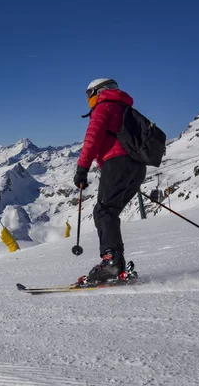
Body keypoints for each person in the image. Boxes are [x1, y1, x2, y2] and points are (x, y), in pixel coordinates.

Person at [73, 78, 147, 284]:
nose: (88, 99)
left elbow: (92, 140)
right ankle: (115, 262)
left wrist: (82, 169)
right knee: (108, 211)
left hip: (117, 164)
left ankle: (111, 262)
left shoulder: (104, 108)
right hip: (137, 167)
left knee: (104, 211)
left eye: (89, 94)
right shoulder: (126, 109)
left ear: (100, 91)